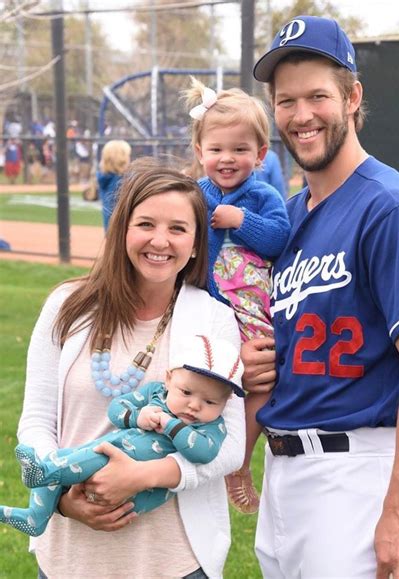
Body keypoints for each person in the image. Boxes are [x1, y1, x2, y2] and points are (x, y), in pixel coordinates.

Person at [243, 15, 399, 578]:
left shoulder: (394, 209)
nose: (301, 115)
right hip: (286, 471)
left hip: (358, 473)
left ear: (353, 96)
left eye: (318, 95)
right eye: (286, 101)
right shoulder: (289, 217)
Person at [15, 157, 244, 579]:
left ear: (196, 244)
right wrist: (64, 497)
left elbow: (229, 445)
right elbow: (36, 420)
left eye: (178, 228)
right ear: (122, 229)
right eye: (145, 224)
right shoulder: (67, 306)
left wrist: (143, 476)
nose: (160, 240)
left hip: (171, 560)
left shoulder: (213, 319)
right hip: (71, 556)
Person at [1, 334, 244, 538]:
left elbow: (204, 452)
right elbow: (116, 409)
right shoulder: (155, 394)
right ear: (169, 379)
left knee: (64, 465)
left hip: (136, 490)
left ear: (226, 402)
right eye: (187, 392)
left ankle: (42, 473)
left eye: (210, 401)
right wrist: (138, 417)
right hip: (108, 451)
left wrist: (170, 424)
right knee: (64, 459)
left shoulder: (213, 427)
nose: (194, 406)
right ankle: (35, 517)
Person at [184, 77, 291, 514]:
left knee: (259, 380)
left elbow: (279, 238)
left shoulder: (262, 196)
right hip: (212, 306)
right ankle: (200, 447)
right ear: (200, 152)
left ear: (260, 155)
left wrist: (240, 219)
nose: (227, 159)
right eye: (217, 149)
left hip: (253, 307)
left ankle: (240, 461)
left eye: (240, 150)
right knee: (210, 380)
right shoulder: (195, 195)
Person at [97, 139, 131, 231]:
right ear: (121, 159)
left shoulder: (104, 177)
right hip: (122, 229)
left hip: (109, 229)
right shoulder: (122, 180)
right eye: (127, 156)